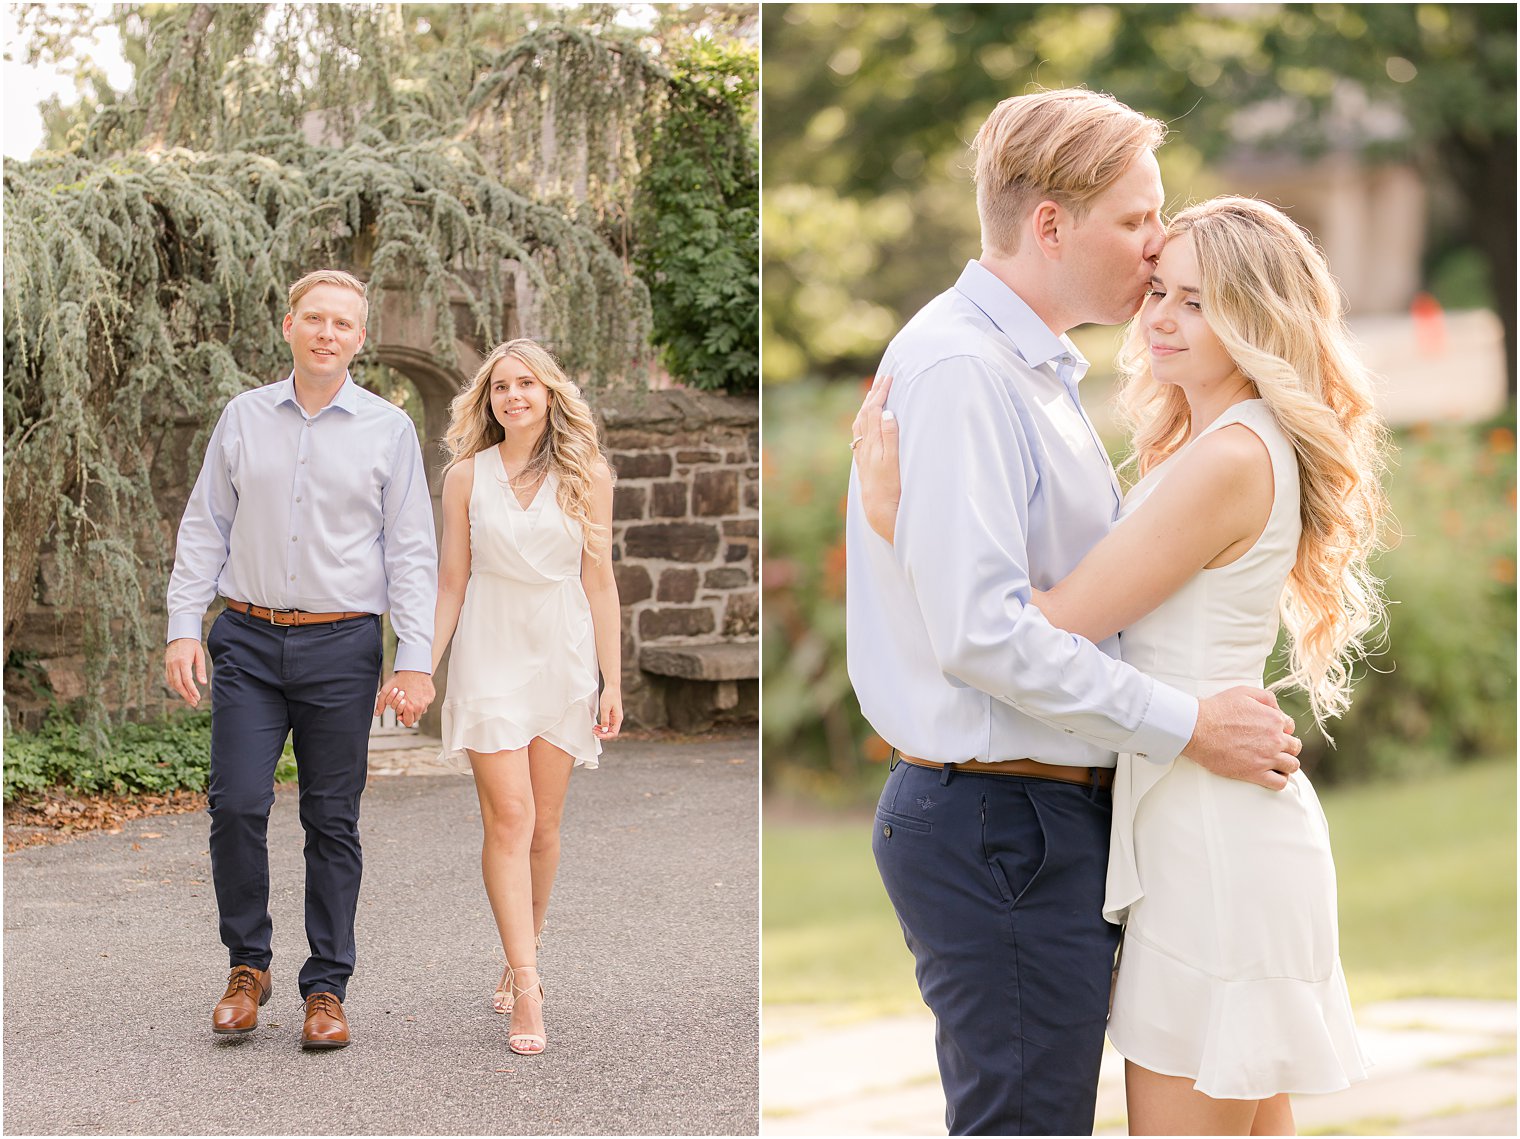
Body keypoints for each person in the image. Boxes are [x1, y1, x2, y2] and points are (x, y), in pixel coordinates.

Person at [854, 197, 1386, 1133]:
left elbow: (1048, 627)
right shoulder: (1210, 445)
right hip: (1200, 816)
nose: (1162, 318)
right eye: (1161, 293)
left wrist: (908, 525)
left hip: (1208, 834)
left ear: (1260, 317)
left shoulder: (1228, 457)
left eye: (1199, 301)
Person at [165, 269, 438, 1050]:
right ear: (288, 325)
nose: (326, 332)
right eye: (313, 318)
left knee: (331, 816)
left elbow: (411, 551)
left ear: (359, 338)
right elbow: (204, 527)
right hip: (246, 638)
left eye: (342, 323)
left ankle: (326, 986)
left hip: (341, 642)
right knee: (238, 803)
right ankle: (246, 968)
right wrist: (186, 624)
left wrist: (414, 658)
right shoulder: (243, 417)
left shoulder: (387, 429)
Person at [418, 337, 621, 1056]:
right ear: (488, 400)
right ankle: (529, 986)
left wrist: (611, 678)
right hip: (491, 648)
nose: (513, 396)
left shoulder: (586, 472)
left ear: (549, 393)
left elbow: (600, 581)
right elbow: (451, 582)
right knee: (510, 815)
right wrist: (421, 665)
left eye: (526, 384)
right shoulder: (466, 476)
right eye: (501, 386)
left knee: (543, 826)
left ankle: (518, 948)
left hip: (562, 655)